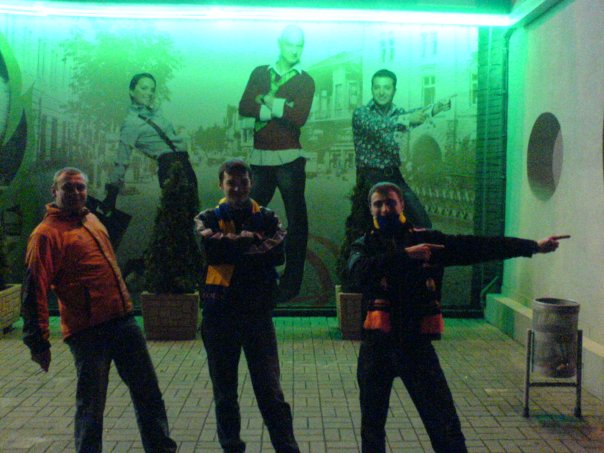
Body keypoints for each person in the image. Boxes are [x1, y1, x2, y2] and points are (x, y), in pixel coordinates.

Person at [348, 181, 568, 453]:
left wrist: (533, 246)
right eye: (378, 204)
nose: (384, 209)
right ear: (370, 208)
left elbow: (477, 246)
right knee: (372, 429)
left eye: (390, 202)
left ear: (402, 205)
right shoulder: (364, 245)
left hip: (416, 347)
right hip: (376, 348)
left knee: (445, 426)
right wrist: (405, 256)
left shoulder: (426, 241)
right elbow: (358, 272)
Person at [21, 167, 177, 453]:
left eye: (80, 187)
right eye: (68, 187)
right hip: (88, 332)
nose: (76, 192)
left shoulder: (92, 219)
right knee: (91, 407)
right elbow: (34, 290)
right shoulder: (45, 235)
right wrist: (37, 342)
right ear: (54, 192)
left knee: (148, 394)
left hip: (123, 321)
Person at [195, 159, 299, 453]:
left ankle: (287, 449)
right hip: (218, 319)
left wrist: (229, 247)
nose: (238, 188)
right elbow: (209, 250)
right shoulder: (206, 218)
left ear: (251, 184)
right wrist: (248, 241)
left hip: (257, 318)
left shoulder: (268, 217)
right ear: (221, 185)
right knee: (225, 395)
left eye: (243, 182)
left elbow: (276, 254)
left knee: (270, 393)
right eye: (231, 183)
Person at [238, 25, 315, 302]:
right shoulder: (260, 72)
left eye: (299, 45)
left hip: (290, 159)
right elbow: (244, 106)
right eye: (290, 44)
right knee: (247, 218)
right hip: (260, 158)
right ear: (280, 43)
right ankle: (248, 276)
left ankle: (290, 285)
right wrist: (281, 106)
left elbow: (299, 117)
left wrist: (267, 100)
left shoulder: (306, 80)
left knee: (297, 222)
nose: (294, 50)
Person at [352, 68, 452, 228]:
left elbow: (415, 115)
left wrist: (437, 107)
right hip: (369, 178)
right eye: (377, 87)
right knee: (372, 228)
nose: (381, 92)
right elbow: (378, 126)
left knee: (422, 222)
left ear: (394, 90)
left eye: (387, 87)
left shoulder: (398, 113)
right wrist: (407, 118)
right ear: (372, 89)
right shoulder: (361, 113)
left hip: (394, 175)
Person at [103, 72, 198, 210]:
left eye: (152, 90)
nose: (149, 93)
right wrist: (112, 193)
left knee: (192, 212)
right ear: (131, 91)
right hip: (169, 168)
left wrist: (155, 109)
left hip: (185, 164)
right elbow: (122, 160)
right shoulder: (131, 124)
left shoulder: (155, 114)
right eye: (144, 88)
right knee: (177, 215)